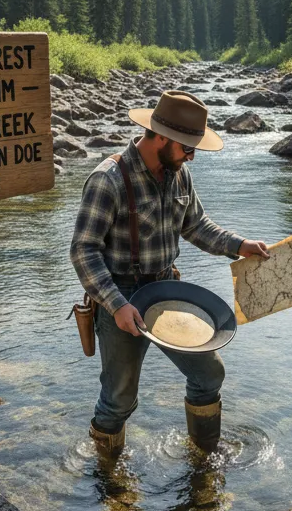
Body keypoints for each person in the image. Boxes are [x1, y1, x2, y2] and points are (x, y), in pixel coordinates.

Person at [70, 89, 269, 455]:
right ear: (160, 136)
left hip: (167, 291)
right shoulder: (108, 180)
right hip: (121, 299)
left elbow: (197, 226)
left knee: (209, 375)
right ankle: (108, 480)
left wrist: (240, 245)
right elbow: (83, 252)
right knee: (119, 400)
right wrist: (116, 305)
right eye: (186, 147)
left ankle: (204, 458)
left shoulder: (179, 175)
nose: (191, 155)